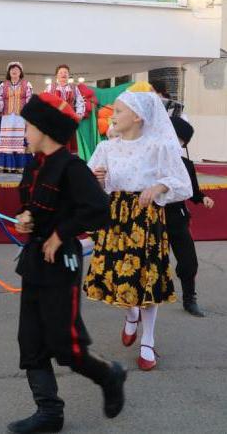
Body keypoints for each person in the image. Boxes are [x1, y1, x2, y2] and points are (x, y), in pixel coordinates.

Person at [8, 92, 126, 434]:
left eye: (28, 126)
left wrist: (61, 234)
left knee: (65, 343)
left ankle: (109, 376)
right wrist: (23, 219)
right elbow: (25, 205)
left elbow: (99, 210)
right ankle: (49, 412)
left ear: (44, 129)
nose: (25, 132)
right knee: (30, 341)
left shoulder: (72, 167)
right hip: (34, 264)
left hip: (62, 266)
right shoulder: (34, 165)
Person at [85, 88, 192, 371]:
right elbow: (89, 190)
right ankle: (131, 315)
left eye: (119, 111)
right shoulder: (105, 148)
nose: (112, 116)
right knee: (116, 277)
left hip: (147, 219)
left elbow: (184, 184)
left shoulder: (160, 147)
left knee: (147, 279)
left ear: (138, 117)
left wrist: (159, 186)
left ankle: (148, 339)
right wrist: (96, 181)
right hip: (116, 217)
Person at [166, 116, 215, 317]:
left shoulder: (186, 164)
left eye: (178, 139)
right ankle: (140, 304)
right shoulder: (151, 158)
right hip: (153, 218)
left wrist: (203, 198)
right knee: (151, 263)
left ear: (183, 142)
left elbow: (193, 191)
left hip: (177, 217)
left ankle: (189, 299)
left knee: (189, 262)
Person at [0, 61, 33, 172]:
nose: (14, 71)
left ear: (20, 72)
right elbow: (0, 98)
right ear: (9, 72)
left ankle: (20, 166)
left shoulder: (27, 84)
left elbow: (29, 100)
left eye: (17, 69)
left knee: (20, 142)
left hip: (21, 118)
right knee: (7, 142)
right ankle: (5, 165)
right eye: (12, 69)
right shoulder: (3, 85)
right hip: (7, 118)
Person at [45, 65, 85, 153]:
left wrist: (79, 114)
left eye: (65, 72)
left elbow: (80, 102)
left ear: (68, 75)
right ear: (57, 75)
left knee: (68, 145)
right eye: (61, 72)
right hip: (55, 120)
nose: (63, 74)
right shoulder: (50, 87)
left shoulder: (74, 88)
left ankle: (67, 164)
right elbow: (44, 102)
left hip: (69, 120)